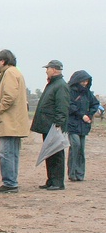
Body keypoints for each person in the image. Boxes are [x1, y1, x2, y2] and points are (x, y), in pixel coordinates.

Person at [0, 49, 29, 192]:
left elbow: (9, 96)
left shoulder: (9, 74)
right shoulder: (15, 72)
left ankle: (9, 183)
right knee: (12, 153)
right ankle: (11, 181)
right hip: (15, 122)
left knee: (6, 153)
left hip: (9, 121)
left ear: (2, 61)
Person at [31, 60, 70, 191]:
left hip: (53, 126)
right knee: (49, 153)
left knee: (56, 154)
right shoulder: (53, 84)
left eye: (47, 69)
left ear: (54, 69)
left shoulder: (60, 85)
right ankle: (51, 180)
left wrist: (58, 124)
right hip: (48, 125)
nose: (46, 71)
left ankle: (58, 182)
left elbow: (62, 106)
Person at [67, 70, 99, 182]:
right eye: (83, 81)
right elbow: (70, 105)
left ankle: (80, 174)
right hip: (72, 124)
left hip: (84, 125)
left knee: (81, 149)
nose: (85, 83)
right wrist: (82, 115)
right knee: (75, 145)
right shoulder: (70, 91)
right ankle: (72, 173)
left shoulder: (88, 93)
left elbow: (95, 103)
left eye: (86, 81)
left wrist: (89, 115)